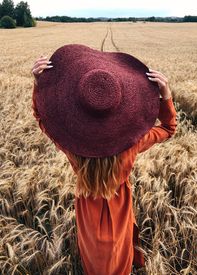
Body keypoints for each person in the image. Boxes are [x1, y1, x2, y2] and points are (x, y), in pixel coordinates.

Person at [31, 44, 177, 275]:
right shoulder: (132, 143)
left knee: (92, 252)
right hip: (119, 206)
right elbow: (169, 128)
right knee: (119, 253)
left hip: (87, 206)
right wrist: (165, 95)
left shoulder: (72, 145)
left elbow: (43, 117)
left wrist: (40, 85)